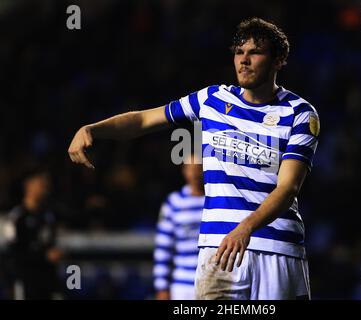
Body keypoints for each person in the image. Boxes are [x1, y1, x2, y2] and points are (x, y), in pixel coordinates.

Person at [68, 17, 319, 300]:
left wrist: (246, 227)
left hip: (278, 249)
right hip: (219, 248)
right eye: (239, 52)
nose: (244, 60)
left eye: (255, 52)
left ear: (278, 60)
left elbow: (288, 188)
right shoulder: (211, 100)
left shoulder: (300, 113)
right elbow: (143, 120)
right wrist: (92, 129)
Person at [153, 154, 204, 300]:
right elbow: (163, 248)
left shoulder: (216, 200)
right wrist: (162, 287)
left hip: (212, 282)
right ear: (184, 171)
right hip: (182, 287)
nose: (194, 173)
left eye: (198, 168)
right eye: (190, 168)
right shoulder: (173, 203)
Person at [6, 169, 63, 300]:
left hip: (48, 280)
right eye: (40, 185)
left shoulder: (48, 216)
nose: (44, 188)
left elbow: (51, 243)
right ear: (29, 186)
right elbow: (14, 253)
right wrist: (43, 255)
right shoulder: (17, 217)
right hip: (27, 280)